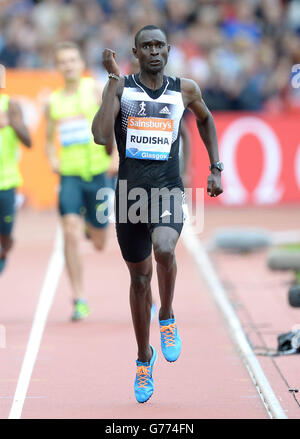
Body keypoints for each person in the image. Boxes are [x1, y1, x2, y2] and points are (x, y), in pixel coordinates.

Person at [92, 25, 223, 403]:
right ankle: (143, 357)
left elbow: (206, 120)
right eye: (146, 46)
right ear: (135, 51)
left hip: (166, 191)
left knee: (165, 248)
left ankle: (166, 314)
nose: (153, 51)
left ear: (168, 50)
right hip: (129, 195)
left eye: (159, 46)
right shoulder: (122, 87)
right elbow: (101, 136)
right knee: (138, 281)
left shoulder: (185, 90)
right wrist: (112, 80)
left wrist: (216, 167)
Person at [45, 42, 112, 321]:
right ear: (58, 67)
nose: (69, 65)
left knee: (99, 241)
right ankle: (79, 298)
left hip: (97, 173)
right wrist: (53, 160)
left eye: (73, 60)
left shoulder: (93, 88)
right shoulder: (54, 101)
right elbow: (49, 140)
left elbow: (113, 120)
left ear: (81, 62)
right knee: (69, 231)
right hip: (70, 176)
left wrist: (116, 153)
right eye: (63, 61)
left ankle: (91, 226)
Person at [0, 65, 32, 274]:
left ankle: (3, 251)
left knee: (6, 235)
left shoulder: (10, 105)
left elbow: (28, 141)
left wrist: (11, 122)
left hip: (6, 182)